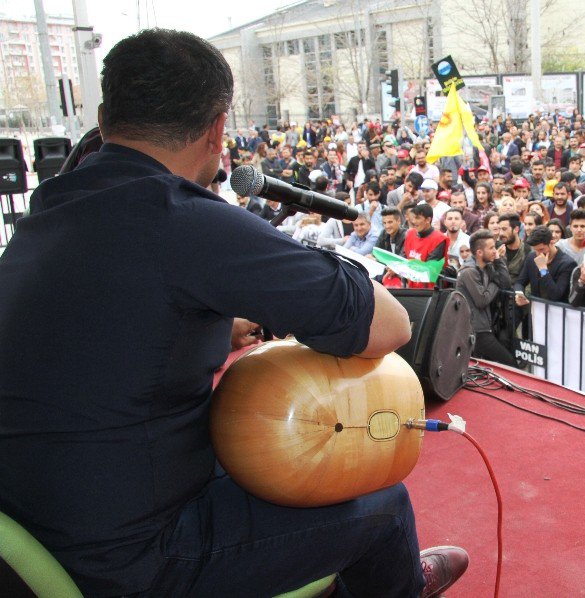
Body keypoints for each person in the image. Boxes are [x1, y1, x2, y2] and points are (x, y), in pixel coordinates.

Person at [0, 30, 466, 597]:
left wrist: (217, 333)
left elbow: (95, 339)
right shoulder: (180, 219)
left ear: (103, 116)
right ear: (219, 128)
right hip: (134, 559)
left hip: (37, 527)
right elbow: (391, 325)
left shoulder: (45, 213)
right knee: (383, 508)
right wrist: (280, 256)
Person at [456, 230, 517, 366]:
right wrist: (496, 281)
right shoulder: (469, 272)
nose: (495, 251)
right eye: (491, 248)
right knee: (510, 364)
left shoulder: (487, 266)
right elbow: (482, 300)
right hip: (476, 330)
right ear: (479, 252)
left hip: (485, 327)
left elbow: (506, 283)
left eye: (494, 247)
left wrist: (499, 261)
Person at [514, 226, 576, 305]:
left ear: (552, 242)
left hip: (558, 312)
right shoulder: (531, 257)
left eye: (541, 249)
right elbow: (520, 282)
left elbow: (555, 295)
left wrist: (543, 269)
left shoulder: (567, 264)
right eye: (535, 250)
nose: (538, 254)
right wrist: (519, 295)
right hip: (536, 310)